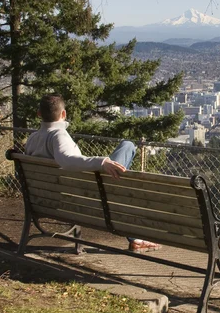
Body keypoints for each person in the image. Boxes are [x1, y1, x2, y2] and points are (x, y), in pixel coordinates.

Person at [25, 93, 161, 253]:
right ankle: (136, 238)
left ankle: (135, 238)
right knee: (128, 146)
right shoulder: (57, 135)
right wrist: (102, 162)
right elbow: (67, 160)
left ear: (39, 114)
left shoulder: (32, 138)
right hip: (82, 199)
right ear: (63, 114)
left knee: (118, 164)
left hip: (43, 199)